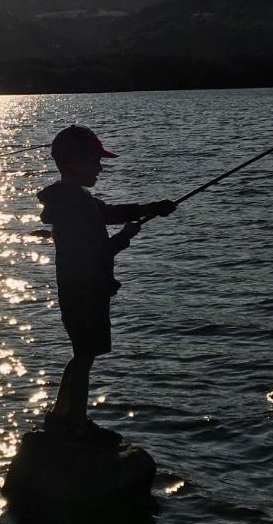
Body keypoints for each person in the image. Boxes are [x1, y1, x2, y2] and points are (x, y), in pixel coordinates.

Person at [37, 125, 176, 444]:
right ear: (73, 162)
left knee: (81, 354)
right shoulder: (76, 205)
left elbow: (109, 213)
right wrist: (125, 238)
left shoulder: (73, 199)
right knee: (85, 357)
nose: (100, 167)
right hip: (85, 293)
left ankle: (61, 415)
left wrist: (153, 208)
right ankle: (77, 424)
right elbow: (95, 253)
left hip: (78, 291)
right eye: (94, 161)